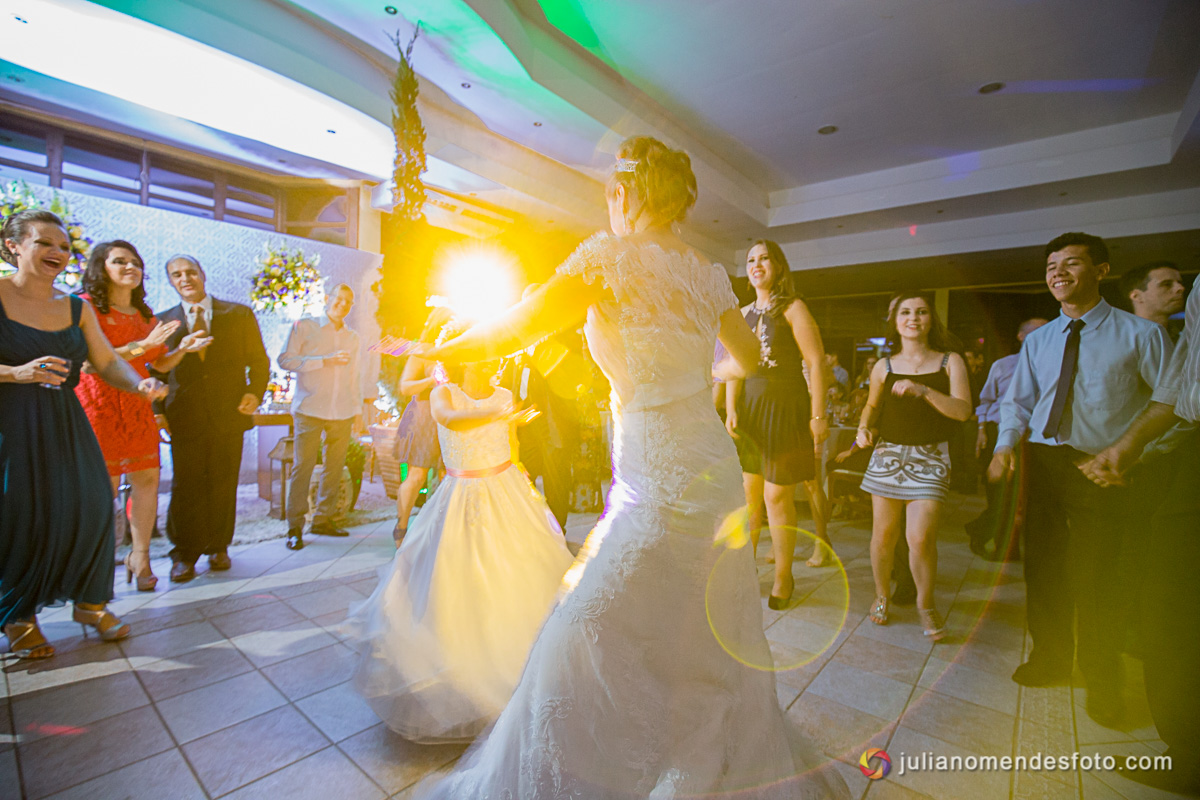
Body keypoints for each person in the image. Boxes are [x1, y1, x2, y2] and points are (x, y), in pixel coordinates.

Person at [420, 137, 848, 798]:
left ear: (628, 193)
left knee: (584, 622)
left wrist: (445, 343)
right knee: (697, 621)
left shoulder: (608, 259)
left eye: (611, 192)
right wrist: (688, 380)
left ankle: (612, 768)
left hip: (658, 472)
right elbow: (751, 360)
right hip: (710, 462)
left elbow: (514, 331)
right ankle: (690, 754)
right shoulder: (707, 273)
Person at [989, 232, 1171, 728]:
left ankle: (1102, 678)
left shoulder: (1140, 335)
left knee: (1097, 579)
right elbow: (1019, 401)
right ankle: (1049, 658)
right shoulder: (1040, 340)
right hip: (1043, 464)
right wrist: (1005, 445)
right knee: (1042, 570)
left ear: (1102, 271)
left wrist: (1131, 457)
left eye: (1071, 263)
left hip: (1100, 468)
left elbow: (1171, 405)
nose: (1058, 273)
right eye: (1051, 265)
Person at [348, 351, 574, 742]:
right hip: (461, 492)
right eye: (483, 359)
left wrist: (523, 479)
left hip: (506, 490)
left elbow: (513, 444)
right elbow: (449, 421)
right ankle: (464, 678)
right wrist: (500, 414)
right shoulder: (444, 394)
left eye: (493, 359)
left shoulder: (504, 395)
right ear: (465, 362)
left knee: (517, 575)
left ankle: (527, 669)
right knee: (451, 579)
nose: (491, 364)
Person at [1, 211, 167, 658]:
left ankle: (91, 604)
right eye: (43, 243)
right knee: (22, 514)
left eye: (63, 246)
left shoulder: (76, 307)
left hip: (66, 420)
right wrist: (16, 372)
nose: (56, 252)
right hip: (10, 423)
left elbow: (108, 362)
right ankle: (18, 615)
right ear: (14, 245)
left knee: (93, 503)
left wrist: (141, 384)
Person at [1077, 280, 1200, 795]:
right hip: (1177, 454)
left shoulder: (1145, 336)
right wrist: (1129, 448)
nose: (1178, 289)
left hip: (1169, 458)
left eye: (1180, 282)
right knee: (1168, 598)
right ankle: (1188, 748)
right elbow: (1180, 383)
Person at [76, 240, 208, 591]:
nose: (130, 267)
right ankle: (96, 566)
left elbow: (157, 363)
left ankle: (141, 556)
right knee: (101, 489)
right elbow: (90, 362)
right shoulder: (85, 307)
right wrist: (142, 346)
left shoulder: (144, 315)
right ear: (101, 268)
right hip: (97, 405)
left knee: (147, 480)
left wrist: (181, 349)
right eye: (120, 261)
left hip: (137, 404)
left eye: (135, 262)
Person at [856, 293, 972, 641]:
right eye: (905, 312)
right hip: (889, 454)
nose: (913, 318)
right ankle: (881, 595)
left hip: (931, 457)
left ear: (931, 319)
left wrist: (923, 390)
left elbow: (963, 411)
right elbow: (871, 407)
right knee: (883, 536)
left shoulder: (950, 361)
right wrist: (863, 427)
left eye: (921, 312)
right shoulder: (884, 366)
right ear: (895, 321)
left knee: (920, 539)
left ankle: (926, 603)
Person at [725, 239, 832, 606]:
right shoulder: (741, 313)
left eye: (765, 258)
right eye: (751, 259)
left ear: (778, 266)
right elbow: (734, 367)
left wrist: (819, 416)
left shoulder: (793, 307)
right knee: (749, 498)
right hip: (751, 409)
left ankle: (784, 577)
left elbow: (816, 363)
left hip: (786, 406)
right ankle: (745, 573)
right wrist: (731, 407)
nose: (757, 264)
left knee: (777, 495)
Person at [155, 255, 269, 583]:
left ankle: (219, 546)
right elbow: (154, 372)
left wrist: (254, 393)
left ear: (202, 275)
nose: (185, 278)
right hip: (184, 416)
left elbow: (259, 362)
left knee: (223, 481)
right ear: (172, 282)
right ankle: (183, 554)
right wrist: (157, 413)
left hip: (228, 414)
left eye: (190, 272)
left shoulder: (238, 314)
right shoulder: (163, 323)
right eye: (176, 275)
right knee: (186, 484)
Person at [278, 283, 362, 551]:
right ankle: (294, 527)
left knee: (335, 468)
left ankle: (323, 519)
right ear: (328, 298)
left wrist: (357, 412)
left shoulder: (353, 338)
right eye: (340, 299)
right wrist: (323, 359)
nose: (343, 305)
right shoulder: (304, 326)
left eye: (349, 302)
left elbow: (354, 377)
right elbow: (285, 360)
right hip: (310, 408)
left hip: (342, 410)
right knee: (302, 468)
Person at [965, 317, 1048, 559]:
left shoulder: (1054, 365)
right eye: (1037, 331)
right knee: (1000, 493)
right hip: (998, 430)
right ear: (1021, 336)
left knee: (1024, 495)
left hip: (1033, 437)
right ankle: (983, 533)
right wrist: (981, 431)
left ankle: (1005, 546)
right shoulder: (1003, 365)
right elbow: (986, 400)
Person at [501, 305, 577, 532]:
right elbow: (508, 383)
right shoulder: (517, 349)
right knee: (523, 476)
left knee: (556, 480)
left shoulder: (560, 338)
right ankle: (530, 529)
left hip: (552, 423)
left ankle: (557, 530)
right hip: (525, 426)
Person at [390, 308, 452, 547]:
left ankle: (439, 531)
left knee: (447, 475)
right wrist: (432, 380)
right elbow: (405, 387)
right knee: (416, 476)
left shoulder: (457, 353)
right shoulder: (421, 353)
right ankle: (402, 526)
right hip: (424, 417)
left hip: (448, 417)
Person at [1120, 260, 1186, 333]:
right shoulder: (1122, 337)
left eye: (1180, 283)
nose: (1181, 288)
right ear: (1137, 296)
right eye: (1166, 284)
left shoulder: (1184, 337)